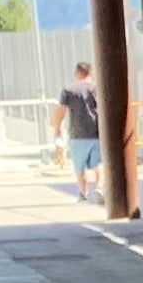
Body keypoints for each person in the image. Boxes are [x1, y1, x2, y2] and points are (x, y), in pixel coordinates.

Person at [58, 64, 103, 200]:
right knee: (98, 163)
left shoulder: (68, 90)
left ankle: (84, 192)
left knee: (79, 166)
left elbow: (60, 111)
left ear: (77, 73)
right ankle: (100, 187)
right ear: (91, 73)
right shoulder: (98, 88)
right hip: (97, 132)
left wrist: (57, 129)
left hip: (77, 135)